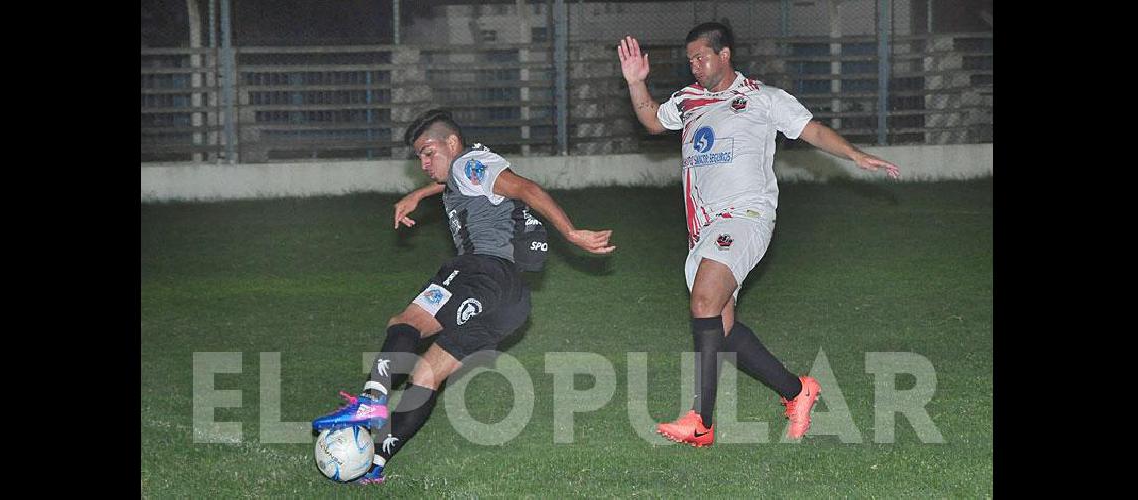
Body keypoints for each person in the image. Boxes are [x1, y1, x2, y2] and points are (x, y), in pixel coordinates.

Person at [616, 23, 900, 446]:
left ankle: (701, 421)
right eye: (690, 59)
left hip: (746, 217)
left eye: (701, 57)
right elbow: (652, 121)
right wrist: (636, 83)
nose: (694, 66)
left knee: (704, 302)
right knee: (723, 331)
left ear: (725, 53)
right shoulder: (689, 100)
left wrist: (855, 154)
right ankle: (798, 391)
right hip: (704, 227)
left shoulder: (763, 98)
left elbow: (812, 129)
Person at [312, 109, 615, 484]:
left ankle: (372, 399)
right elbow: (461, 183)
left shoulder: (469, 161)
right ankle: (376, 461)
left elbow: (526, 188)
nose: (423, 162)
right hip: (512, 302)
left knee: (406, 323)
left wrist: (571, 233)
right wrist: (420, 194)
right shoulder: (467, 171)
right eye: (418, 156)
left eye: (428, 152)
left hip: (480, 273)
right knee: (425, 374)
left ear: (452, 143)